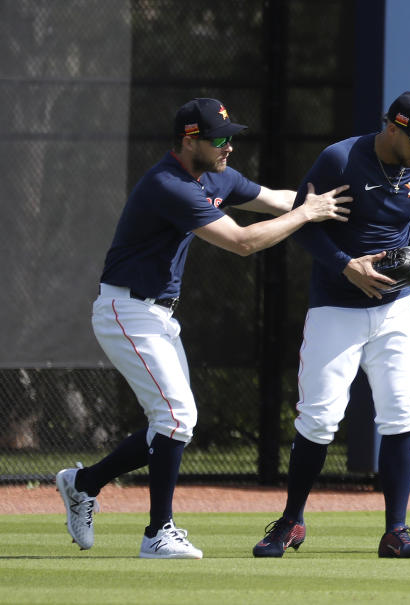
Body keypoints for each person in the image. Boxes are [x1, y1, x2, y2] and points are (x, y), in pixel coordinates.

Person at [55, 97, 352, 559]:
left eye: (231, 136)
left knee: (176, 421)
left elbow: (274, 200)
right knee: (174, 418)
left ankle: (84, 482)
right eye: (220, 138)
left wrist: (321, 203)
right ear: (190, 140)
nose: (229, 146)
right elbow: (243, 241)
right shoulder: (167, 184)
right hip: (125, 309)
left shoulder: (216, 175)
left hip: (156, 314)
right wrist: (306, 215)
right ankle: (158, 533)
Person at [251, 91, 410, 559]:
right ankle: (291, 521)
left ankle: (395, 531)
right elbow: (304, 223)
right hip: (335, 308)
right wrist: (346, 265)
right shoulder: (341, 160)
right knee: (318, 419)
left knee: (401, 414)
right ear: (393, 128)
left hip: (396, 309)